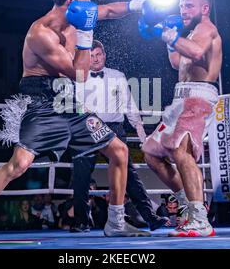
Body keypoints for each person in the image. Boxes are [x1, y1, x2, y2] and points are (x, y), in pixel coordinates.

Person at [0, 0, 149, 244]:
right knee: (19, 164)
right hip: (41, 100)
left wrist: (141, 5)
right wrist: (86, 37)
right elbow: (81, 75)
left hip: (69, 101)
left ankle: (115, 221)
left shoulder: (79, 15)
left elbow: (110, 10)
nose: (91, 2)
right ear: (72, 2)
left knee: (119, 151)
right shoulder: (40, 33)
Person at [139, 0, 222, 237]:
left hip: (198, 97)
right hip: (181, 97)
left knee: (180, 150)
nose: (183, 10)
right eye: (182, 6)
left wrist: (165, 33)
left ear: (204, 9)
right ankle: (188, 203)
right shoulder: (193, 33)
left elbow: (196, 53)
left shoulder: (208, 30)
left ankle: (200, 219)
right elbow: (177, 62)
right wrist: (170, 37)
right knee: (151, 152)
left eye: (190, 6)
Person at [70, 39, 168, 232]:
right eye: (91, 56)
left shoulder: (118, 76)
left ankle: (149, 217)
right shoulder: (78, 77)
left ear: (104, 55)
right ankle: (81, 221)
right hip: (87, 128)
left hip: (115, 128)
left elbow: (130, 107)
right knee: (81, 174)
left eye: (98, 54)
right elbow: (78, 107)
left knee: (128, 174)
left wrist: (143, 137)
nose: (95, 59)